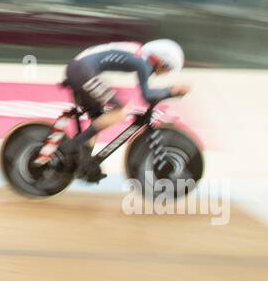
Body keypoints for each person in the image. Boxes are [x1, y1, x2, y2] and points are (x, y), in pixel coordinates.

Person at [39, 39, 190, 180]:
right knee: (119, 111)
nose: (166, 73)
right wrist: (172, 91)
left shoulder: (140, 53)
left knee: (99, 117)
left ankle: (83, 162)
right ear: (161, 62)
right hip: (82, 71)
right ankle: (70, 146)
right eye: (168, 69)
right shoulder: (142, 62)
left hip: (79, 69)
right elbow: (148, 96)